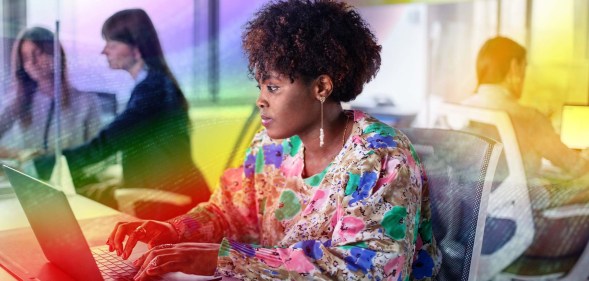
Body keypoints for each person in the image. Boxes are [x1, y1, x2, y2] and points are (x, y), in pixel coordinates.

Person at [106, 1, 440, 280]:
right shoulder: (270, 148)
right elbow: (228, 215)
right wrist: (173, 231)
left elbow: (367, 271)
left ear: (321, 88)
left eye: (273, 87)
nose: (261, 100)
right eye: (260, 87)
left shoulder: (380, 156)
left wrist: (226, 259)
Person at [34, 9, 211, 220]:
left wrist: (45, 165)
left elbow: (107, 143)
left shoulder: (152, 90)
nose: (104, 52)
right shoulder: (155, 84)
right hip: (163, 190)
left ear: (136, 49)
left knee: (66, 202)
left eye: (112, 44)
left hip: (167, 203)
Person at [462, 36, 589, 258]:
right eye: (524, 68)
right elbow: (574, 166)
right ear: (514, 67)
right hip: (516, 230)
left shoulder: (456, 112)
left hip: (465, 227)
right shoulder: (528, 117)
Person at [0, 27, 101, 160]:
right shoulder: (15, 103)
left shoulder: (86, 102)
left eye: (38, 53)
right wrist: (18, 154)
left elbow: (98, 151)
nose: (32, 62)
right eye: (25, 58)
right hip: (28, 177)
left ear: (55, 53)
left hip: (70, 177)